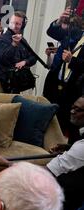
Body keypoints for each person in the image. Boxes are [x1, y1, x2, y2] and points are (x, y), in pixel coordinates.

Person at [0, 96, 84, 210]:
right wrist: (68, 147)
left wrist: (9, 163)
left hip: (71, 197)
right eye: (73, 107)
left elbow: (44, 172)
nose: (72, 111)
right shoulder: (79, 139)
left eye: (78, 110)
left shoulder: (81, 148)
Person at [43, 7, 84, 142]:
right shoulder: (71, 37)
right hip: (55, 85)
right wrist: (60, 20)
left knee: (70, 126)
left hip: (73, 90)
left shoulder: (77, 35)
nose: (65, 27)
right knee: (50, 118)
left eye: (67, 24)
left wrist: (72, 60)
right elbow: (52, 31)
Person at [0, 12, 36, 93]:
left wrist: (25, 62)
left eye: (18, 24)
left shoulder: (23, 41)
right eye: (13, 23)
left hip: (16, 82)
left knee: (15, 104)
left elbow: (33, 57)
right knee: (0, 104)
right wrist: (14, 44)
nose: (15, 26)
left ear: (22, 26)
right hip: (1, 80)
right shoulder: (0, 40)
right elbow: (4, 58)